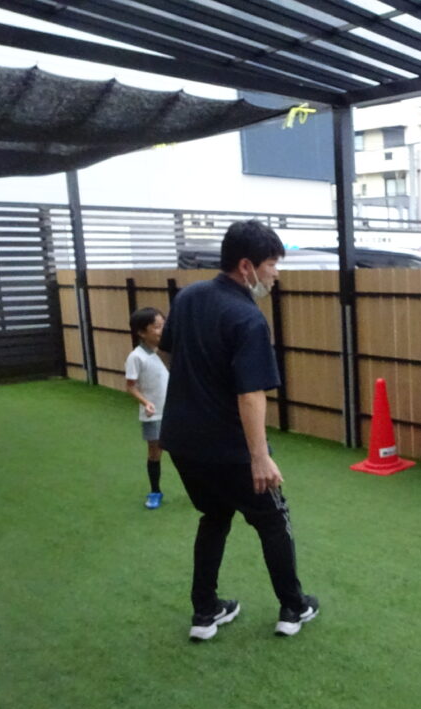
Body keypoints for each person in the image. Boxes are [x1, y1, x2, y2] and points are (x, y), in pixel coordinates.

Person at [159, 219, 319, 641]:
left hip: (182, 442)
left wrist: (196, 390)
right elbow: (251, 395)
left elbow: (168, 349)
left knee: (214, 516)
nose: (276, 274)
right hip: (229, 448)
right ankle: (294, 606)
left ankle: (205, 612)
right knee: (273, 520)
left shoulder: (188, 297)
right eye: (271, 264)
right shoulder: (248, 318)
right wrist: (260, 457)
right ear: (246, 266)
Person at [125, 307, 168, 510]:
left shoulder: (169, 351)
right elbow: (130, 387)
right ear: (142, 332)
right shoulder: (136, 357)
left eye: (163, 325)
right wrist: (145, 402)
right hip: (154, 414)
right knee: (154, 453)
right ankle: (155, 491)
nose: (162, 330)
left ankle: (202, 490)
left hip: (174, 412)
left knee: (186, 451)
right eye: (157, 327)